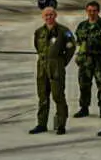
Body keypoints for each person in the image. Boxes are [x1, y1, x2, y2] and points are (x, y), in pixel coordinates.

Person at [31, 7, 76, 135]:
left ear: (55, 16)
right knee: (42, 96)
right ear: (43, 17)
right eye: (46, 15)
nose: (49, 17)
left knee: (58, 95)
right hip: (42, 66)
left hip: (56, 67)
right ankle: (41, 124)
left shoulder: (64, 31)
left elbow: (71, 47)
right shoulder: (39, 32)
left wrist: (62, 62)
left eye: (51, 15)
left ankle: (60, 124)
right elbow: (37, 47)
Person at [73, 1, 101, 119]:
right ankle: (84, 108)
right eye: (89, 11)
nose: (92, 13)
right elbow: (79, 41)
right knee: (84, 85)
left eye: (94, 11)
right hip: (85, 61)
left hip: (100, 60)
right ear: (86, 11)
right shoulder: (82, 26)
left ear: (98, 11)